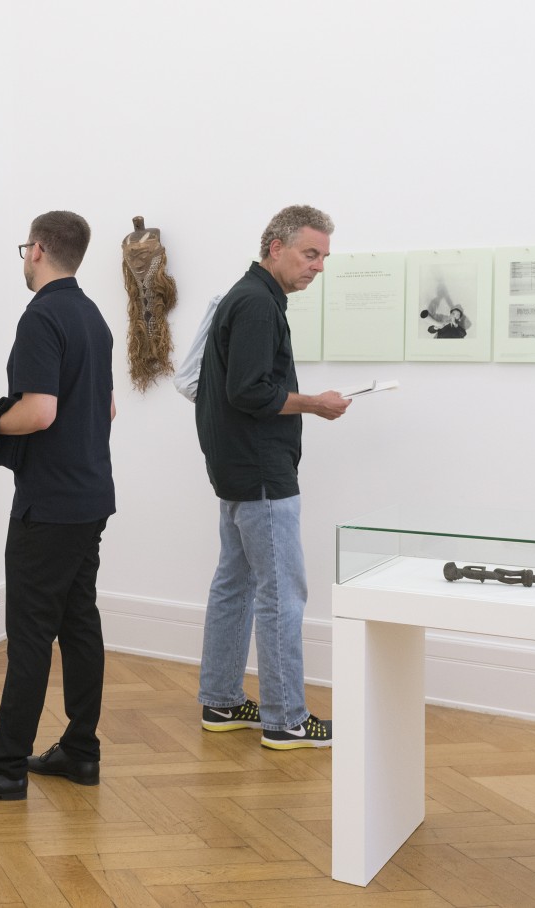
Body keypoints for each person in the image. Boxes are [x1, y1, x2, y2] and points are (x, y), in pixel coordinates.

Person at [0, 211, 116, 801]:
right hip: (90, 496)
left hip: (49, 503)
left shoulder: (42, 315)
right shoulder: (93, 317)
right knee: (79, 624)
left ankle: (5, 767)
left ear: (36, 250)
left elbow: (40, 412)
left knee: (30, 633)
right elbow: (105, 410)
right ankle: (81, 751)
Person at [194, 204, 348, 750]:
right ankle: (285, 717)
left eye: (324, 257)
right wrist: (316, 403)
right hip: (260, 473)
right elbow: (249, 391)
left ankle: (221, 699)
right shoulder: (258, 304)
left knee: (234, 585)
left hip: (237, 469)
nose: (318, 266)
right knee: (282, 592)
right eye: (311, 253)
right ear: (275, 246)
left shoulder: (247, 297)